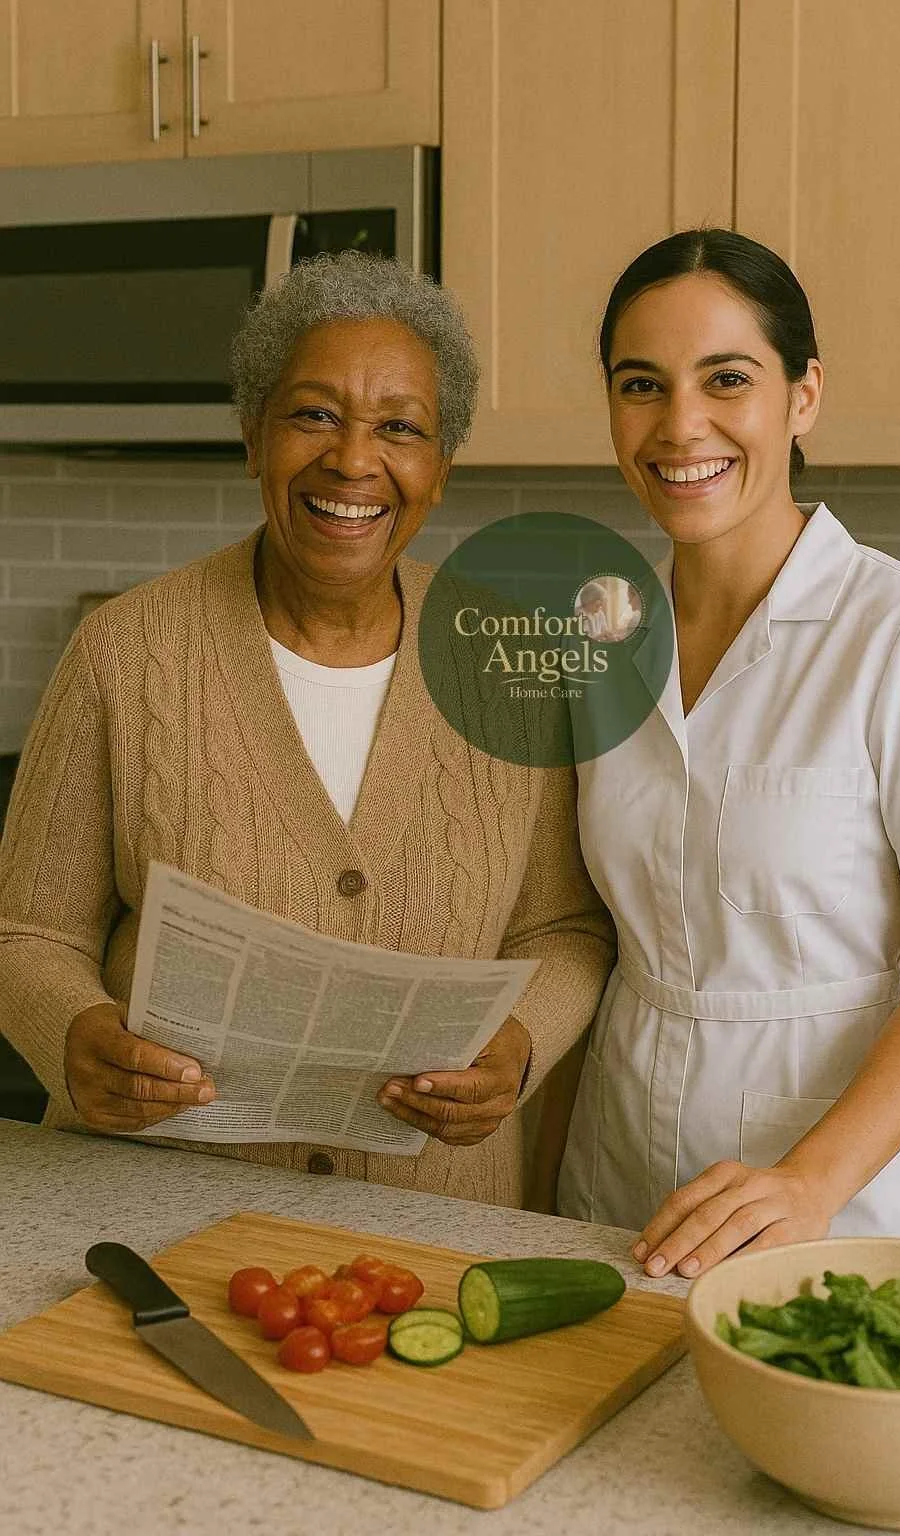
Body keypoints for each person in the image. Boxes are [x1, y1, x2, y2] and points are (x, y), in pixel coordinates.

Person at [0, 251, 613, 1210]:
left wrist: (520, 1045)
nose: (353, 460)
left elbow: (565, 928)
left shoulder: (509, 666)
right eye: (313, 414)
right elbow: (27, 929)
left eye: (399, 428)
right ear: (255, 439)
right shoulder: (125, 650)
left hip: (432, 1225)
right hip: (147, 1209)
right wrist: (72, 1032)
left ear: (439, 471)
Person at [557, 228, 900, 1272]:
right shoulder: (599, 631)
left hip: (834, 1201)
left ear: (801, 396)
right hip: (613, 1176)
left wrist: (810, 1179)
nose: (680, 425)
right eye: (642, 385)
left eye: (727, 378)